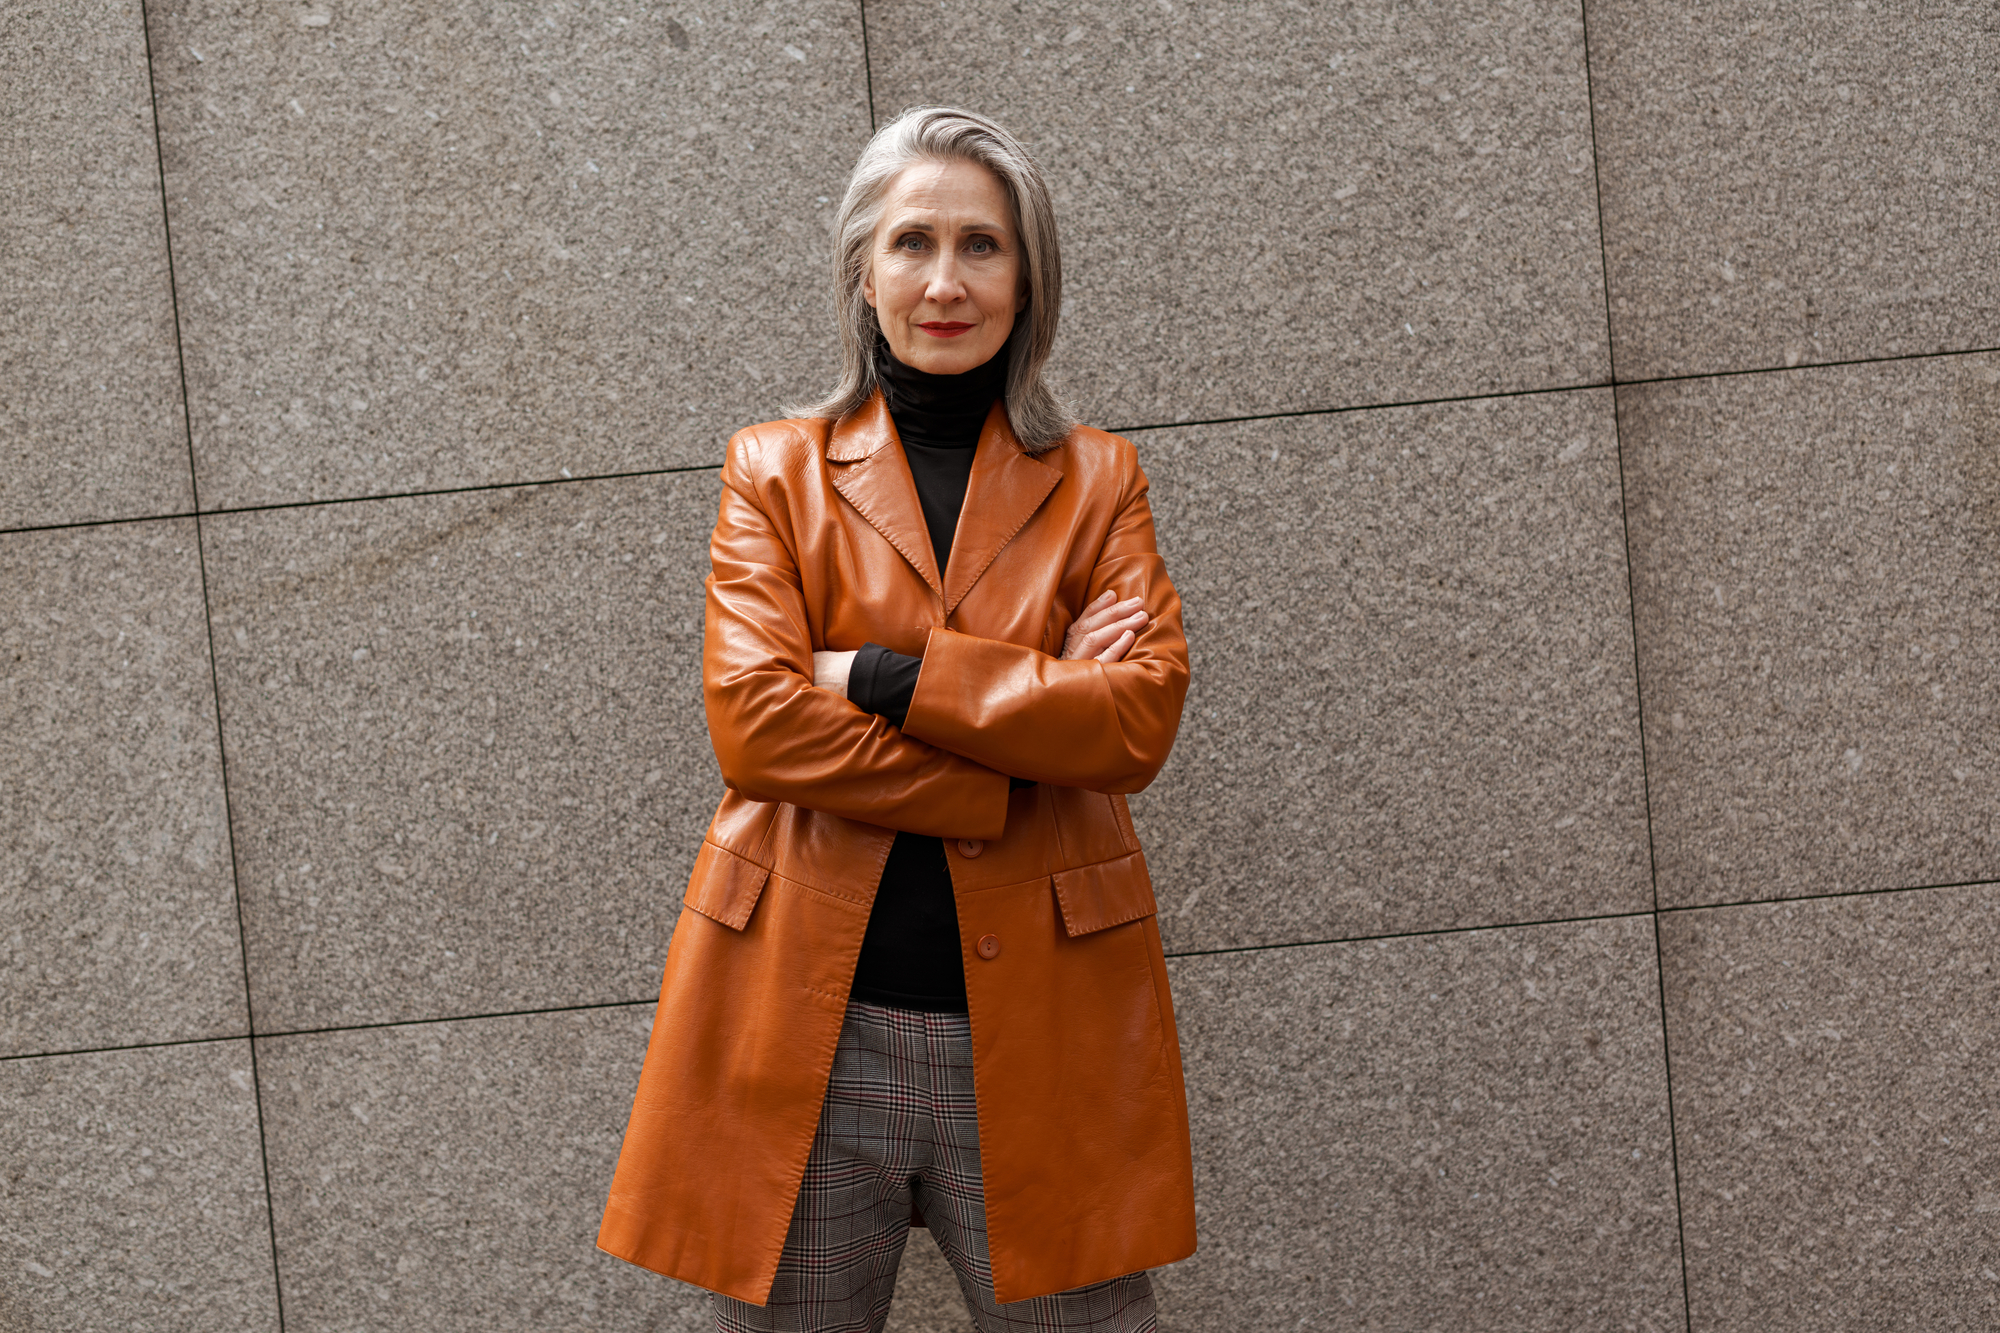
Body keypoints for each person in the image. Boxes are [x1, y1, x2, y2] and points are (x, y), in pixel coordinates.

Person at [598, 106, 1194, 1333]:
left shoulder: (1098, 483)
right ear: (862, 272)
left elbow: (1131, 723)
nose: (943, 281)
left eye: (981, 245)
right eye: (911, 242)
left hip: (1041, 1022)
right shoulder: (773, 469)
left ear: (1027, 279)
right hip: (808, 1032)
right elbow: (755, 727)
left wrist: (875, 674)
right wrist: (1008, 752)